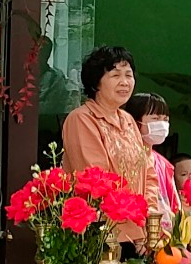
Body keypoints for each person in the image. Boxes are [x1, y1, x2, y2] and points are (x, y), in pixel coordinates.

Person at [61, 45, 156, 253]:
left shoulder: (129, 120)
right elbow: (97, 181)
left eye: (129, 75)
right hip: (102, 235)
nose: (125, 82)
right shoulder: (82, 119)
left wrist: (149, 225)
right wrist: (134, 228)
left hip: (137, 236)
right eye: (115, 75)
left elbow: (148, 173)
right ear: (96, 83)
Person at [130, 92, 183, 236]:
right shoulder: (127, 160)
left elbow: (173, 204)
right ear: (135, 122)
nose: (162, 124)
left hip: (164, 236)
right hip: (137, 234)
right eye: (155, 118)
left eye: (165, 119)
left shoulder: (163, 164)